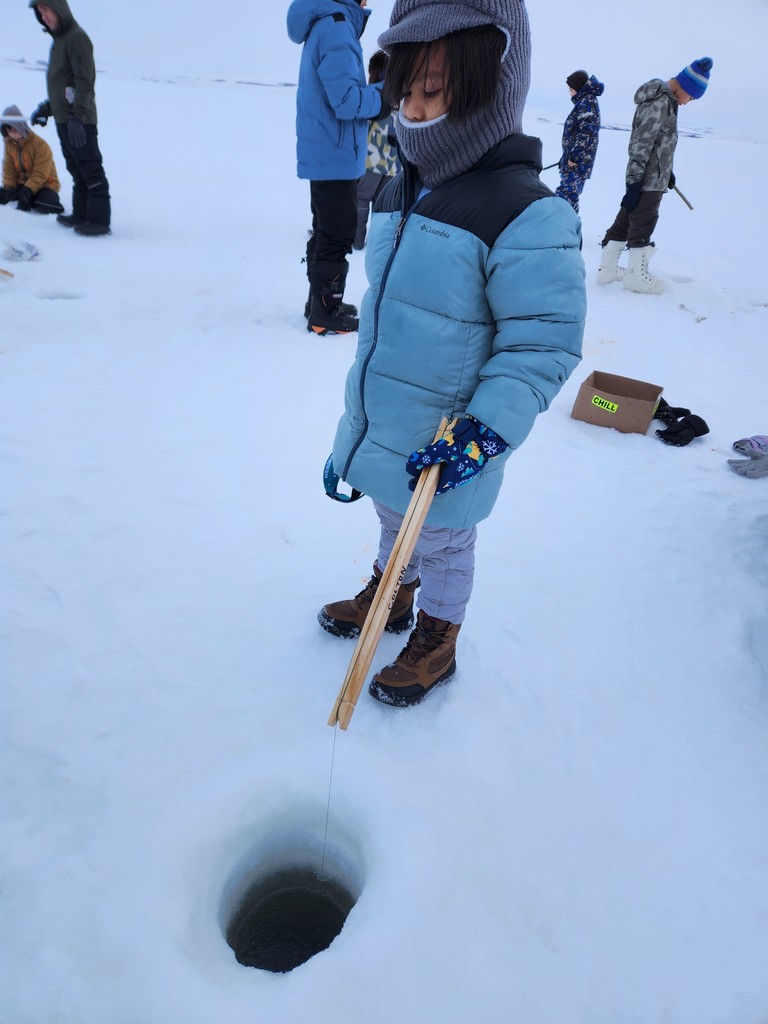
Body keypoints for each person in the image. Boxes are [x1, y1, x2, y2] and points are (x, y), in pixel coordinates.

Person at [318, 0, 586, 708]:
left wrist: (483, 432)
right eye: (407, 87)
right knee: (388, 515)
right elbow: (387, 326)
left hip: (450, 444)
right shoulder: (400, 188)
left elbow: (543, 343)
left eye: (435, 88)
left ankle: (438, 634)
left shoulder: (527, 211)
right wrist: (355, 438)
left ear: (491, 85)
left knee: (442, 542)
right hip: (387, 429)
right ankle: (392, 592)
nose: (415, 106)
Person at [287, 0, 389, 335]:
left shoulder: (326, 23)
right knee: (337, 233)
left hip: (327, 151)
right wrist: (386, 96)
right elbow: (347, 101)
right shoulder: (337, 26)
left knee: (327, 231)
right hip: (335, 153)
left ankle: (319, 303)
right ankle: (325, 312)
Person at [598, 56, 713, 294]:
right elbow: (642, 142)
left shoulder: (667, 102)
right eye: (691, 97)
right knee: (644, 220)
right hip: (646, 177)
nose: (688, 102)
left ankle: (608, 269)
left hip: (654, 175)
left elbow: (660, 142)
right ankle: (636, 276)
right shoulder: (659, 102)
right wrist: (635, 181)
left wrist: (668, 172)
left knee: (628, 216)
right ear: (683, 87)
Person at [28, 0, 112, 236]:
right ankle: (81, 213)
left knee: (90, 168)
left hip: (79, 121)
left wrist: (78, 118)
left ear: (59, 8)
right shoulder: (59, 42)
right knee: (76, 169)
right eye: (39, 11)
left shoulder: (77, 37)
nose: (43, 15)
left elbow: (84, 82)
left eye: (46, 9)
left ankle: (99, 221)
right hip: (66, 120)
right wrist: (46, 109)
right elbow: (62, 87)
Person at [353, 50, 401, 250]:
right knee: (381, 209)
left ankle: (355, 241)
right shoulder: (401, 95)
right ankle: (377, 247)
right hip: (394, 163)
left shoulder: (374, 95)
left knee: (361, 200)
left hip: (371, 159)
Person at [554, 69, 603, 214]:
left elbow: (586, 133)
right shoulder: (585, 102)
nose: (570, 93)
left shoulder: (587, 102)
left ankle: (565, 229)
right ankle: (567, 229)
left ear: (579, 88)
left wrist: (573, 157)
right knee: (568, 197)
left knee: (566, 196)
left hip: (577, 163)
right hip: (574, 161)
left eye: (571, 89)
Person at [0, 104, 64, 214]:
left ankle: (40, 201)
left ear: (21, 126)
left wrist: (28, 190)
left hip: (45, 185)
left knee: (43, 204)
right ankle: (24, 197)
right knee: (3, 195)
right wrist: (10, 187)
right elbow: (8, 169)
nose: (13, 135)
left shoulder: (40, 145)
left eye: (15, 130)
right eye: (9, 132)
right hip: (22, 185)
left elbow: (40, 173)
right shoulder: (9, 144)